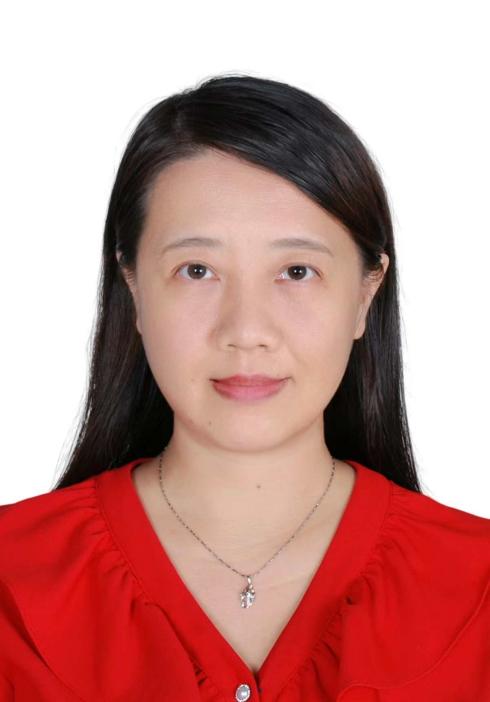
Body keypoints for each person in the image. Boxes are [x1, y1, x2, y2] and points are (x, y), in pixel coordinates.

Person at [0, 74, 488, 701]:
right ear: (133, 287)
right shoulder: (12, 579)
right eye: (197, 270)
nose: (247, 331)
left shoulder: (478, 588)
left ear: (366, 293)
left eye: (297, 271)